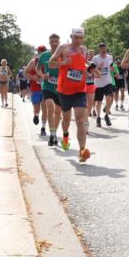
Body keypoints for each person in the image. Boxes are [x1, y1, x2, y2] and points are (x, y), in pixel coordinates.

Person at [49, 28, 92, 162]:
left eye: (81, 38)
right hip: (64, 90)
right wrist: (63, 63)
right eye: (76, 37)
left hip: (80, 89)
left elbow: (82, 65)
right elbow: (51, 63)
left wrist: (90, 69)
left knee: (80, 119)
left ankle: (82, 150)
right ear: (71, 36)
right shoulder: (63, 48)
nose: (78, 40)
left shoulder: (83, 50)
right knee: (66, 119)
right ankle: (65, 136)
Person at [28, 34, 63, 147]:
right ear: (49, 43)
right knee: (50, 107)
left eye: (56, 41)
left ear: (59, 42)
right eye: (52, 41)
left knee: (58, 112)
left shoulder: (63, 55)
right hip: (47, 86)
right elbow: (37, 68)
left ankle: (54, 132)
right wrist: (43, 76)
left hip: (60, 87)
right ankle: (51, 134)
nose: (54, 43)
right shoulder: (44, 56)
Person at [92, 43, 115, 127]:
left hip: (107, 82)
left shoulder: (110, 57)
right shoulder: (95, 58)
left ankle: (106, 115)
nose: (103, 50)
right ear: (99, 49)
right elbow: (92, 70)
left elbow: (111, 67)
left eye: (104, 48)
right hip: (98, 84)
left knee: (110, 99)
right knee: (99, 102)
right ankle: (98, 118)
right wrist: (98, 69)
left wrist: (112, 69)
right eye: (101, 48)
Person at [27, 46, 47, 132]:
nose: (42, 54)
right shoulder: (33, 62)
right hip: (35, 88)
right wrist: (33, 77)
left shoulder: (49, 61)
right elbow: (25, 72)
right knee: (36, 108)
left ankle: (43, 127)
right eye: (40, 52)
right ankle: (36, 115)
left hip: (45, 88)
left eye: (43, 52)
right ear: (38, 52)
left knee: (45, 108)